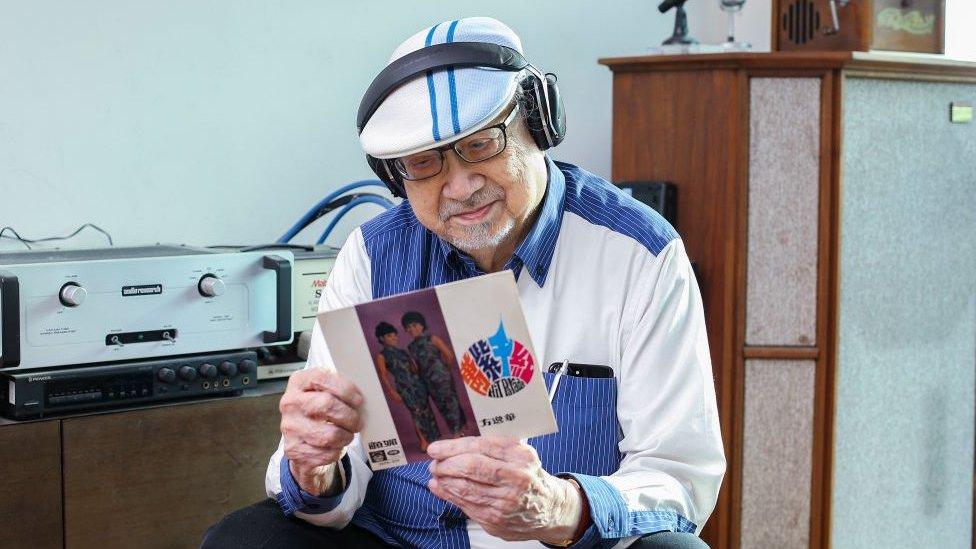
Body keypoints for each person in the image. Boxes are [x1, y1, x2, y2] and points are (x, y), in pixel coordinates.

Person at [203, 16, 724, 549]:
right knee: (245, 537)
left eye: (479, 145)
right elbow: (340, 469)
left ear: (538, 125)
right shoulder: (372, 254)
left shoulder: (639, 254)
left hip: (558, 544)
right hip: (401, 541)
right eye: (425, 164)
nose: (460, 186)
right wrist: (315, 470)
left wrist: (562, 506)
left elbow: (681, 476)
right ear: (396, 178)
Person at [373, 321, 441, 451]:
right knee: (416, 414)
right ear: (381, 338)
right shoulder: (381, 356)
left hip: (418, 384)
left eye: (394, 335)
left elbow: (414, 368)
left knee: (427, 411)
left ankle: (433, 439)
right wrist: (392, 392)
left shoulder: (403, 352)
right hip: (404, 388)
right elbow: (383, 376)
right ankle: (424, 441)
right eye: (389, 336)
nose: (393, 338)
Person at [401, 311, 468, 437]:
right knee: (441, 406)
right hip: (427, 381)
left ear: (422, 325)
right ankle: (461, 427)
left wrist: (444, 371)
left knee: (450, 403)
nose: (411, 329)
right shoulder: (411, 347)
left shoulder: (432, 338)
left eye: (414, 325)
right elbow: (416, 366)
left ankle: (456, 431)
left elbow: (448, 355)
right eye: (408, 327)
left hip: (442, 378)